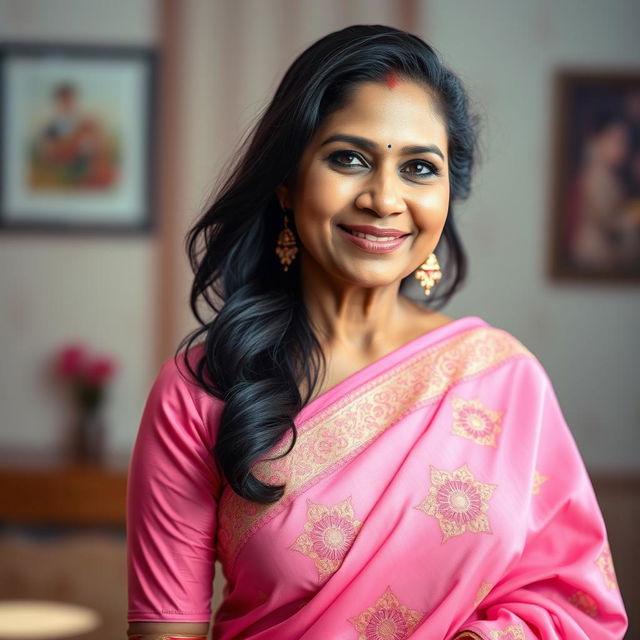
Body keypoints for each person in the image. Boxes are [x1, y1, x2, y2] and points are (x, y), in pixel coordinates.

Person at [126, 25, 628, 640]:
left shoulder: (504, 379)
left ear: (447, 196)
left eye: (419, 168)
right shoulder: (202, 389)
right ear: (286, 184)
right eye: (349, 158)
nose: (385, 198)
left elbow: (576, 602)